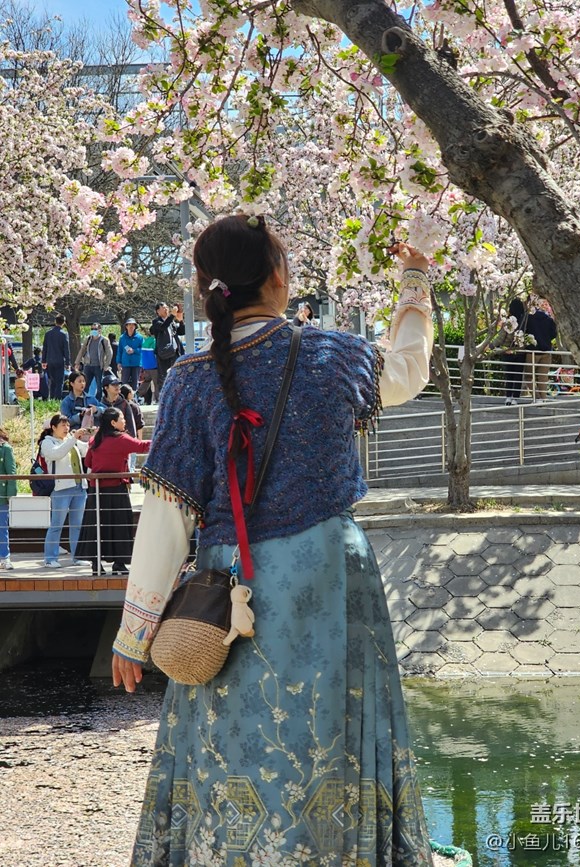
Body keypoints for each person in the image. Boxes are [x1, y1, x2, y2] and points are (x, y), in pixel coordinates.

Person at [112, 214, 435, 865]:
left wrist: (134, 633)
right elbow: (409, 368)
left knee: (229, 734)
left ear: (207, 287)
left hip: (228, 592)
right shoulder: (334, 355)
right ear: (279, 276)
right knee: (335, 731)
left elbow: (168, 515)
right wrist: (415, 279)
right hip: (330, 575)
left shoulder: (188, 378)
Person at [75, 408, 151, 576]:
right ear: (113, 422)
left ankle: (96, 564)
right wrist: (163, 440)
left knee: (96, 526)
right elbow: (143, 446)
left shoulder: (96, 440)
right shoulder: (121, 439)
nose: (124, 421)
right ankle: (119, 563)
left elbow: (88, 462)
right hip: (116, 490)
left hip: (96, 491)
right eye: (122, 418)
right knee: (120, 525)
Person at [39, 414, 89, 568]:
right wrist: (73, 439)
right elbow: (57, 454)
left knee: (77, 525)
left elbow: (86, 450)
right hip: (61, 488)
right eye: (63, 425)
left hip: (79, 487)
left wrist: (95, 436)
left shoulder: (71, 441)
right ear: (53, 427)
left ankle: (78, 556)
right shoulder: (47, 442)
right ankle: (50, 558)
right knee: (57, 525)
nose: (66, 428)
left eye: (68, 425)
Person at [522, 303, 557, 402]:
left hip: (532, 351)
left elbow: (523, 332)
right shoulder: (548, 319)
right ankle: (544, 398)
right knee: (543, 377)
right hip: (546, 351)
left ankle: (537, 397)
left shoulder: (528, 318)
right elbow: (554, 334)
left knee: (528, 376)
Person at [150, 301, 185, 394]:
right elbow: (163, 327)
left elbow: (182, 332)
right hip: (163, 353)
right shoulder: (156, 322)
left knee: (177, 374)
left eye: (167, 307)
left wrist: (181, 320)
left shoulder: (171, 322)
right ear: (158, 311)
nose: (166, 309)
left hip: (175, 353)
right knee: (164, 377)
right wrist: (172, 316)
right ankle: (163, 396)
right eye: (164, 308)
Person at [75, 323, 112, 398]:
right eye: (92, 329)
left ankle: (98, 401)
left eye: (95, 329)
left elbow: (109, 353)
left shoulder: (104, 340)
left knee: (99, 386)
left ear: (99, 330)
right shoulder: (88, 339)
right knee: (85, 385)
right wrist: (77, 362)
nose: (93, 330)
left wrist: (106, 365)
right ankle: (83, 399)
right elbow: (82, 350)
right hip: (88, 365)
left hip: (98, 366)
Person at [42, 314, 70, 400]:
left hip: (49, 360)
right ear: (63, 323)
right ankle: (57, 400)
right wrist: (68, 363)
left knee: (52, 381)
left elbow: (45, 348)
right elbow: (66, 350)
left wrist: (43, 361)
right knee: (59, 382)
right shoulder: (64, 334)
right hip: (59, 361)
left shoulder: (48, 334)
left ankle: (52, 399)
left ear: (55, 321)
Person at [0, 428, 17, 570]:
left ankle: (5, 558)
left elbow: (11, 472)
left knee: (2, 528)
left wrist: (10, 495)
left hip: (1, 495)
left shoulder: (5, 448)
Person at [100, 373, 136, 438]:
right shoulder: (101, 404)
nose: (117, 387)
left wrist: (132, 439)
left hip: (122, 438)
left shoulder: (124, 403)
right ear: (106, 388)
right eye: (113, 385)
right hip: (106, 439)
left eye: (118, 384)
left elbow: (131, 425)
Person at [120, 384, 144, 472]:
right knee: (131, 465)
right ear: (129, 394)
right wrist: (139, 439)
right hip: (132, 438)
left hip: (120, 438)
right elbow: (139, 424)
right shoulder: (134, 406)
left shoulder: (118, 405)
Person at [116, 319, 143, 391]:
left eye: (133, 325)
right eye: (129, 324)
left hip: (136, 364)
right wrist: (118, 362)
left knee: (135, 383)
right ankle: (123, 397)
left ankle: (134, 397)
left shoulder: (140, 337)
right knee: (124, 383)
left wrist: (134, 350)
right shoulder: (122, 338)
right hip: (125, 363)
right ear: (126, 326)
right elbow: (119, 351)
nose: (131, 326)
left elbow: (143, 349)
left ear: (135, 326)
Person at [137, 334, 157, 405]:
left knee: (146, 382)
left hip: (146, 366)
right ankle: (158, 399)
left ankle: (137, 395)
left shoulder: (145, 341)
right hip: (154, 365)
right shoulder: (155, 341)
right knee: (156, 383)